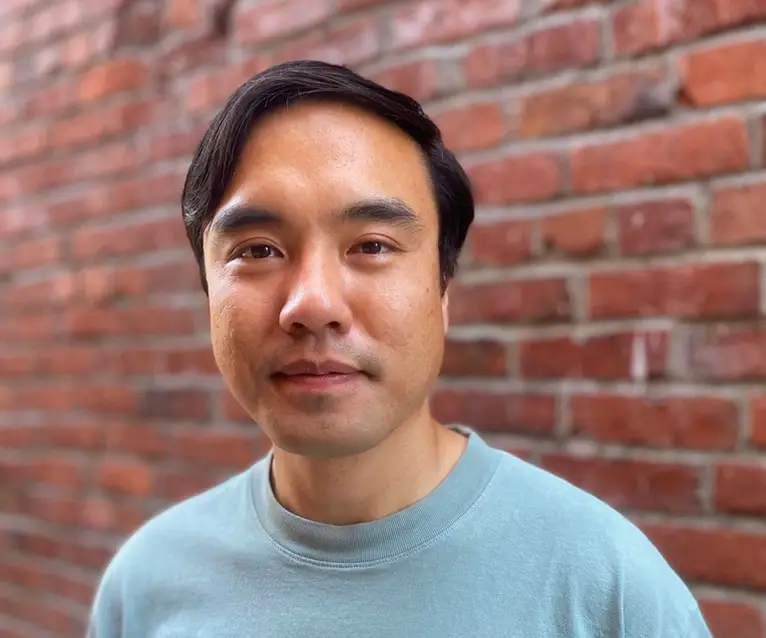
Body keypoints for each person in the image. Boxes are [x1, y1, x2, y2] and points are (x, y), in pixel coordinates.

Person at [87, 60, 711, 637]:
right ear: (207, 292)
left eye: (373, 245)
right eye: (257, 251)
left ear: (443, 289)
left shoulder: (608, 590)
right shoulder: (144, 587)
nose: (312, 305)